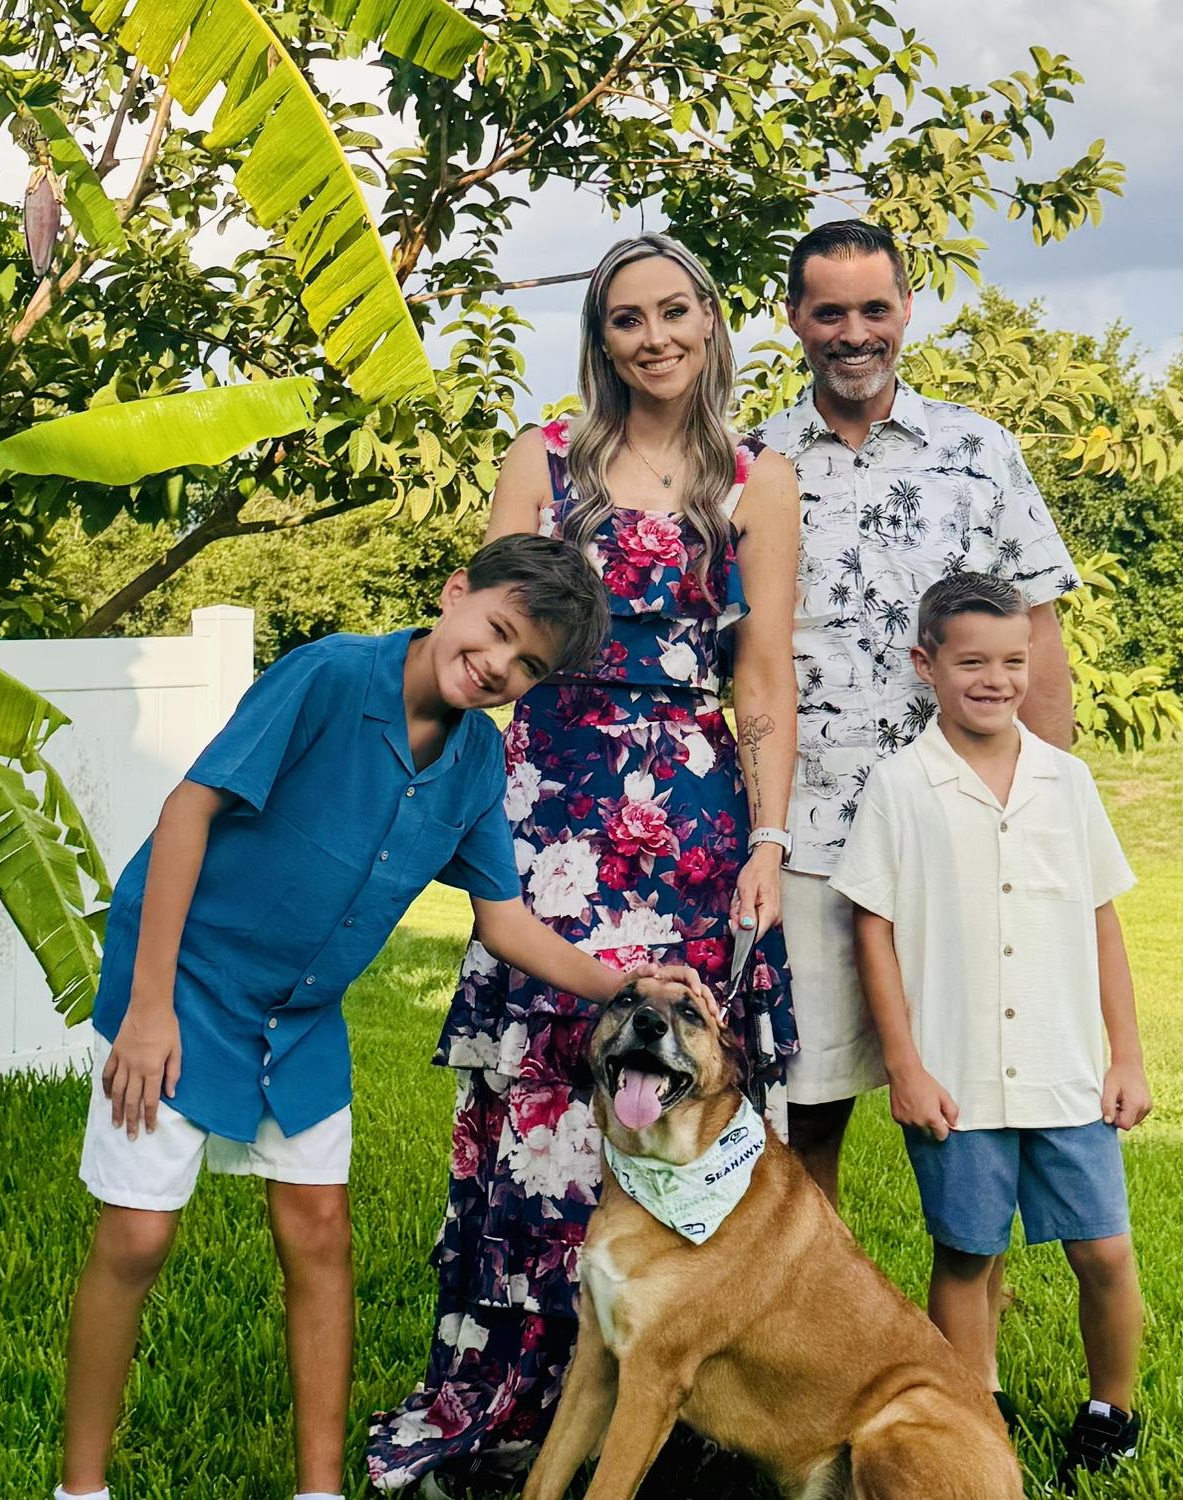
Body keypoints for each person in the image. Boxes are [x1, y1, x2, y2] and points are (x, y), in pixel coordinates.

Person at [56, 535, 715, 1500]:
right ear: (455, 592)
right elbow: (188, 811)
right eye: (497, 631)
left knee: (321, 1233)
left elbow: (503, 921)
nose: (498, 666)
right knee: (139, 1238)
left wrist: (626, 985)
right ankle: (80, 1488)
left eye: (529, 665)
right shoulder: (327, 676)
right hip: (186, 985)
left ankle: (320, 1490)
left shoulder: (477, 760)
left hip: (300, 1020)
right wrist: (149, 1010)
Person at [366, 232, 800, 1493]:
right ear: (599, 338)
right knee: (545, 1091)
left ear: (710, 321)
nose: (654, 338)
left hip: (695, 816)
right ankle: (513, 1394)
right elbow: (490, 632)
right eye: (626, 318)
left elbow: (762, 676)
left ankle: (673, 1394)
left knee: (678, 1083)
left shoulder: (758, 478)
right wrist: (454, 791)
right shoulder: (544, 457)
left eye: (674, 312)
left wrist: (768, 838)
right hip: (552, 799)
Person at [753, 218, 1082, 1207]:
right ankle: (809, 1293)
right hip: (808, 830)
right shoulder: (753, 461)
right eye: (830, 312)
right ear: (794, 318)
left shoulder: (980, 450)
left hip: (957, 826)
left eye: (874, 308)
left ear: (906, 308)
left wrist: (1047, 807)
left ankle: (968, 1299)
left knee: (970, 1098)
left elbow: (1039, 637)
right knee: (805, 1105)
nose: (855, 333)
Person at [831, 572, 1152, 1486]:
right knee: (968, 1252)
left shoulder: (1067, 781)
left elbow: (1101, 919)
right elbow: (873, 929)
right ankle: (978, 1416)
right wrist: (905, 1066)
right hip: (956, 1074)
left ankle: (1112, 1413)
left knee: (1104, 1249)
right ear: (925, 664)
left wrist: (1126, 1056)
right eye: (972, 662)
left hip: (1065, 1069)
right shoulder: (901, 784)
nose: (997, 679)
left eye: (1014, 660)